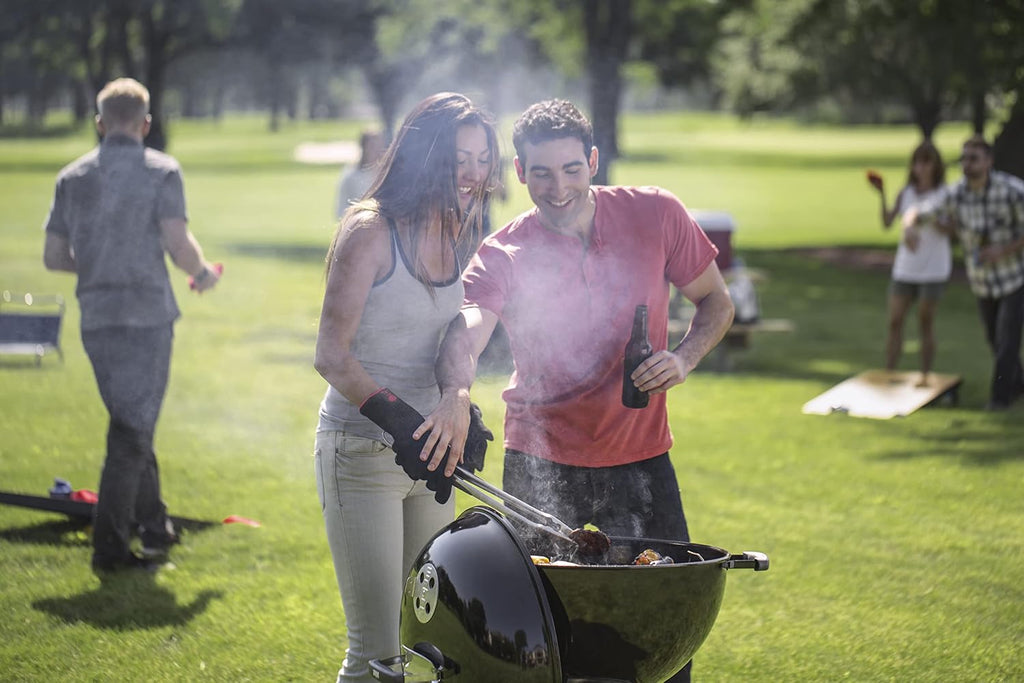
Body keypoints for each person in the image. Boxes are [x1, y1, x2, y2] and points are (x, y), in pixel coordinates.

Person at [416, 99, 735, 682]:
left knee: (660, 637)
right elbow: (467, 333)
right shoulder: (503, 253)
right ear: (518, 173)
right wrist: (455, 392)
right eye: (540, 172)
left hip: (642, 461)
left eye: (569, 169)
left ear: (592, 161)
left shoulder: (657, 214)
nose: (556, 187)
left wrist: (684, 358)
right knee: (542, 646)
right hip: (540, 466)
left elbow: (716, 301)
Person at [312, 92, 498, 683]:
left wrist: (459, 402)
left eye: (482, 159)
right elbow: (331, 356)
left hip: (430, 457)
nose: (473, 174)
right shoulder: (370, 230)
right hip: (362, 454)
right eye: (460, 158)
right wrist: (399, 420)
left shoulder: (458, 226)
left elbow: (453, 333)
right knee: (376, 653)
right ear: (427, 154)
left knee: (426, 643)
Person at [41, 77, 221, 574]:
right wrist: (203, 274)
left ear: (98, 123)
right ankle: (110, 551)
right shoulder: (162, 171)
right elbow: (178, 243)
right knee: (130, 431)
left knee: (134, 424)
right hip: (146, 319)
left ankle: (156, 527)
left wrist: (99, 265)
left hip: (96, 320)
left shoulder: (70, 177)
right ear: (145, 124)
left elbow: (54, 257)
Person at [928, 135, 1024, 410]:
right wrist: (913, 223)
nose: (967, 164)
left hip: (1014, 277)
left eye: (974, 158)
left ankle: (999, 399)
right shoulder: (957, 193)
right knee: (994, 339)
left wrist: (1004, 250)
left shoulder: (1012, 190)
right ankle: (1018, 384)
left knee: (1007, 340)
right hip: (982, 282)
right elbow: (930, 211)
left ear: (988, 161)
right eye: (964, 158)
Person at [867, 141, 950, 385]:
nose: (921, 168)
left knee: (925, 322)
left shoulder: (944, 195)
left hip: (933, 268)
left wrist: (927, 218)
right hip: (905, 268)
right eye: (917, 162)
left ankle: (925, 377)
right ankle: (889, 372)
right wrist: (882, 194)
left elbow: (951, 229)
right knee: (894, 321)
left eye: (926, 162)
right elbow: (887, 223)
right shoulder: (906, 193)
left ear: (936, 166)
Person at [334, 129, 387, 220]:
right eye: (372, 146)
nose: (377, 151)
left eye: (380, 146)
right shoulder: (352, 176)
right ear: (364, 148)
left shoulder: (388, 175)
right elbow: (341, 209)